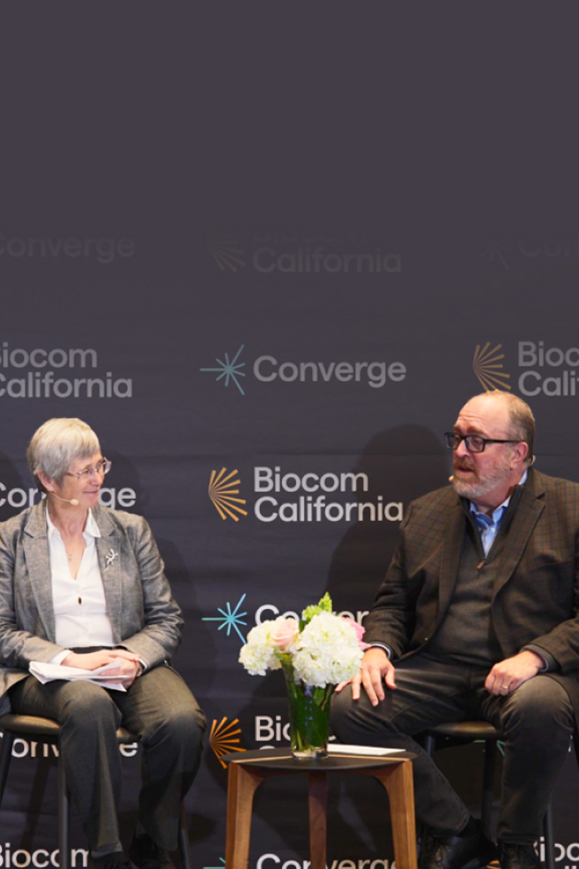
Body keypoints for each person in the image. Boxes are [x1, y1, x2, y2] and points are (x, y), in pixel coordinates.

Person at [331, 391, 579, 869]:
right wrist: (378, 648)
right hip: (438, 668)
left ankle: (517, 846)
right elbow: (392, 602)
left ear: (517, 454)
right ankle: (457, 829)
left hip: (526, 675)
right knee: (350, 707)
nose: (461, 452)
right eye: (458, 438)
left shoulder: (570, 509)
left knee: (542, 704)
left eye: (477, 441)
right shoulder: (427, 512)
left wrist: (536, 658)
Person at [0, 418, 206, 869]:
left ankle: (152, 836)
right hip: (47, 670)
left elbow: (166, 619)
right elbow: (2, 631)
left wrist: (132, 659)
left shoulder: (129, 531)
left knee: (181, 721)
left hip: (125, 659)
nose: (98, 479)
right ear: (48, 480)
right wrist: (68, 659)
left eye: (100, 465)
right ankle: (106, 853)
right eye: (84, 470)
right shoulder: (11, 539)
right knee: (89, 705)